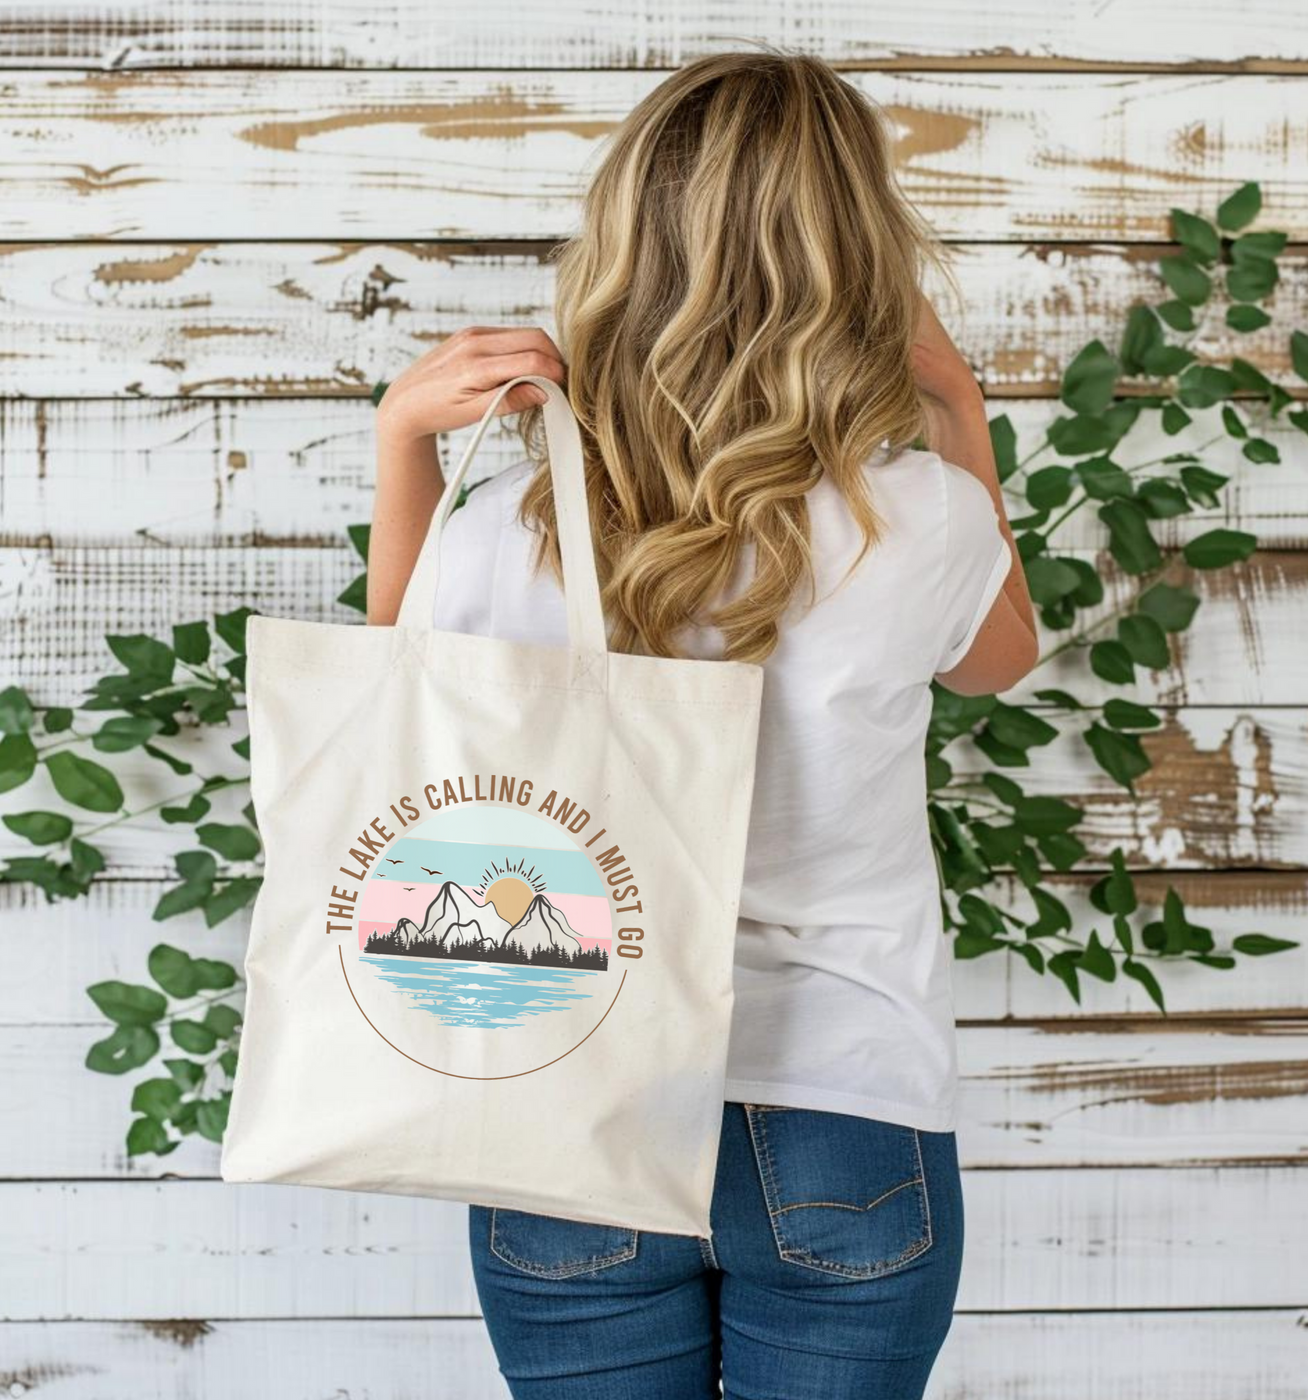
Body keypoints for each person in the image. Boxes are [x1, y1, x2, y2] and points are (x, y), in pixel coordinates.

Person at [367, 48, 1037, 1400]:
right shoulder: (924, 520)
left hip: (571, 1096)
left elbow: (398, 703)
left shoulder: (515, 521)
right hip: (849, 1109)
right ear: (864, 259)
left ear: (623, 247)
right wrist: (958, 406)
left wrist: (405, 446)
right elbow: (1000, 665)